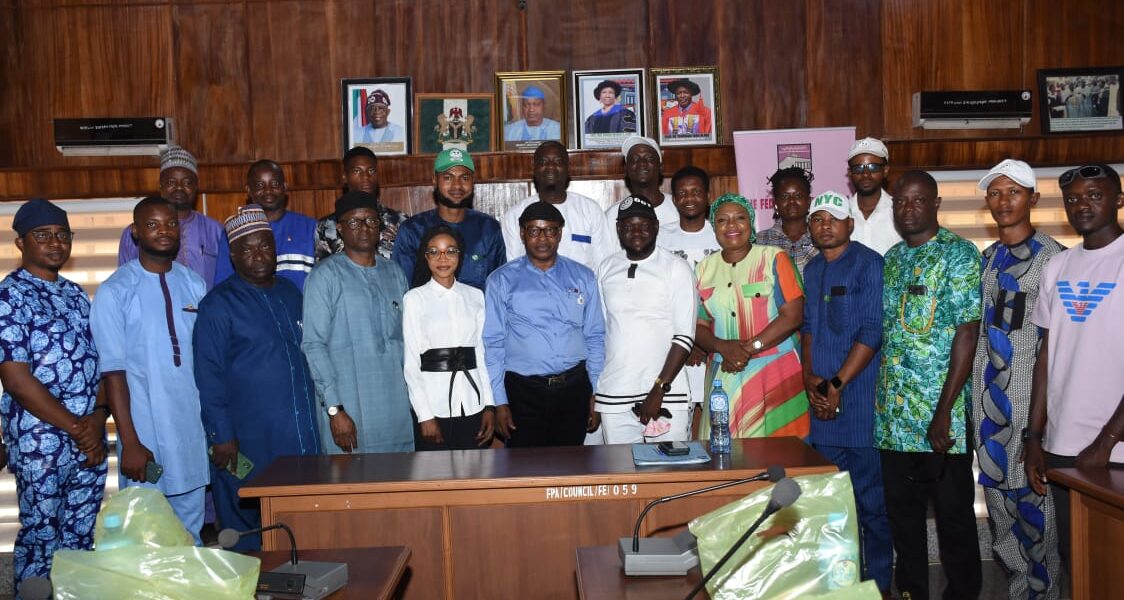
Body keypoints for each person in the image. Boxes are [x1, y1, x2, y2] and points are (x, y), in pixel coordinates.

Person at [876, 170, 982, 600]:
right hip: (893, 422)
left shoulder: (959, 254)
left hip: (943, 425)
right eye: (901, 201)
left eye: (918, 200)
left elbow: (967, 333)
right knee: (904, 523)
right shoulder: (891, 259)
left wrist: (942, 412)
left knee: (955, 523)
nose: (908, 208)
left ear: (936, 204)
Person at [193, 204, 321, 551]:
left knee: (300, 528)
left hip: (298, 436)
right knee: (248, 534)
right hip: (245, 441)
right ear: (233, 255)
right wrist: (222, 436)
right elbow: (208, 377)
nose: (258, 254)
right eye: (247, 248)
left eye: (264, 244)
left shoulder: (291, 294)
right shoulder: (217, 305)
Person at [0, 199, 108, 589]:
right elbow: (16, 379)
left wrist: (96, 422)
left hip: (88, 442)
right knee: (42, 538)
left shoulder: (78, 295)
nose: (55, 243)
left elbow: (99, 364)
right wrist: (78, 427)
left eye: (63, 235)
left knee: (80, 539)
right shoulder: (9, 296)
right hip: (40, 443)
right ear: (20, 243)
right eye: (43, 235)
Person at [969, 160, 1064, 599]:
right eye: (995, 193)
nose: (1003, 201)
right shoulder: (988, 260)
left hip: (1027, 415)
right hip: (989, 418)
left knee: (1036, 522)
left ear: (1033, 199)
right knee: (1003, 527)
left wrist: (1036, 434)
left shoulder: (1055, 260)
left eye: (1014, 192)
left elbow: (1054, 349)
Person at [92, 196, 210, 544]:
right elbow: (113, 374)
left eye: (171, 224)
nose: (164, 231)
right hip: (144, 439)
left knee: (191, 534)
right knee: (148, 539)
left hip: (190, 434)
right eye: (153, 224)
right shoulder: (115, 291)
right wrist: (129, 441)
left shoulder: (194, 285)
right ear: (135, 233)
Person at [1025, 163, 1124, 575]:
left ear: (1119, 200)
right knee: (1077, 560)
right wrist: (1034, 437)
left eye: (1095, 196)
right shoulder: (1057, 267)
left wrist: (1105, 442)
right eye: (1073, 198)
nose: (1082, 205)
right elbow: (1047, 355)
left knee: (1116, 563)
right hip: (1061, 444)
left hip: (1115, 450)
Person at [799, 191, 891, 595]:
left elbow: (873, 330)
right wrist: (810, 379)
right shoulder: (813, 268)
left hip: (859, 408)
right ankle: (839, 586)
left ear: (849, 224)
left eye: (833, 218)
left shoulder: (870, 264)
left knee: (872, 506)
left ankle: (880, 586)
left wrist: (835, 384)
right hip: (820, 409)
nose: (825, 225)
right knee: (829, 508)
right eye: (817, 219)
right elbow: (808, 328)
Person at [483, 202, 606, 447]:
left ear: (560, 233)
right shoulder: (501, 280)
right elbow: (493, 343)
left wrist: (596, 393)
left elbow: (595, 337)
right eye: (534, 230)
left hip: (574, 388)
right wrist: (500, 401)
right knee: (524, 471)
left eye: (550, 230)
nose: (542, 238)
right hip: (522, 391)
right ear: (522, 233)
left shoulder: (583, 276)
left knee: (571, 468)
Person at [302, 191, 413, 455]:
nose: (364, 228)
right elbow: (313, 345)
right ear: (340, 228)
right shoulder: (324, 276)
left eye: (371, 220)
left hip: (397, 414)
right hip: (347, 415)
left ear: (381, 225)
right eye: (354, 222)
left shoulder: (395, 273)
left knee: (400, 491)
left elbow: (406, 342)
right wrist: (334, 409)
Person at [694, 193, 809, 440]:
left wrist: (748, 348)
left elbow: (793, 315)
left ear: (752, 223)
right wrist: (723, 347)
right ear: (714, 227)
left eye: (740, 218)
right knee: (728, 455)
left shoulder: (774, 258)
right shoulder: (703, 268)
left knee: (783, 456)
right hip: (724, 375)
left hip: (775, 371)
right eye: (723, 220)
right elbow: (699, 325)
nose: (732, 226)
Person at [594, 196, 696, 443]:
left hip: (666, 396)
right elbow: (603, 331)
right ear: (618, 229)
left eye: (643, 225)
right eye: (628, 226)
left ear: (656, 227)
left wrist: (659, 388)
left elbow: (684, 336)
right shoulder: (606, 268)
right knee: (622, 478)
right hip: (614, 395)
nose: (636, 232)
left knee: (669, 477)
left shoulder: (676, 267)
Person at [403, 225, 496, 450]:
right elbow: (411, 363)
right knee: (437, 478)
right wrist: (424, 415)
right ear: (425, 257)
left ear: (460, 255)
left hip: (473, 401)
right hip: (435, 406)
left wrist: (489, 406)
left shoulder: (475, 296)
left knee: (476, 474)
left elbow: (481, 355)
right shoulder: (415, 298)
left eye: (450, 251)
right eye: (434, 251)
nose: (442, 258)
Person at [659, 166, 720, 435]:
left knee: (713, 425)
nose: (690, 198)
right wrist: (687, 341)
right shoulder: (661, 236)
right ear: (673, 199)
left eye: (696, 192)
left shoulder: (722, 232)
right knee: (679, 429)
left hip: (717, 344)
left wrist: (703, 342)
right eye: (682, 193)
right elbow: (657, 294)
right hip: (673, 346)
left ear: (708, 195)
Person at [392, 149, 506, 290]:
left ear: (473, 181)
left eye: (464, 178)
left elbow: (499, 286)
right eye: (448, 177)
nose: (457, 185)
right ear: (434, 179)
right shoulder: (412, 230)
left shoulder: (488, 228)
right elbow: (401, 286)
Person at [118, 145, 225, 290]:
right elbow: (124, 282)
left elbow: (225, 280)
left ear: (196, 187)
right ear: (161, 186)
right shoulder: (137, 232)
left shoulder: (215, 230)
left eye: (187, 183)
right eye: (171, 182)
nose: (179, 188)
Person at [502, 141, 616, 271]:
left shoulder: (590, 210)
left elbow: (604, 265)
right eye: (543, 162)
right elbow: (512, 268)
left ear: (568, 168)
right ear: (534, 169)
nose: (550, 166)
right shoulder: (515, 215)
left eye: (558, 161)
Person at [215, 160, 317, 291]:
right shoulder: (235, 232)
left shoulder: (311, 228)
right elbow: (224, 287)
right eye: (259, 185)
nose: (268, 190)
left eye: (274, 183)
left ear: (285, 187)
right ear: (248, 190)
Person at [315, 146, 406, 262]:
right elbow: (323, 272)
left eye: (371, 171)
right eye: (357, 171)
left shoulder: (399, 221)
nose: (365, 177)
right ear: (345, 177)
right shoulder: (327, 226)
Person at [604, 136, 679, 228]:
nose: (642, 163)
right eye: (635, 159)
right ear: (626, 169)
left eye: (649, 159)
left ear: (660, 167)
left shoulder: (679, 208)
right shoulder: (613, 215)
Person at [757, 166, 819, 275]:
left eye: (798, 195)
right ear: (775, 203)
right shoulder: (759, 241)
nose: (791, 201)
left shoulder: (821, 237)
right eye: (785, 196)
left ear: (809, 201)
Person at [846, 138, 902, 256]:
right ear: (850, 173)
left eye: (873, 167)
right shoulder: (841, 214)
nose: (865, 174)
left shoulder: (900, 211)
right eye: (858, 168)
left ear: (885, 171)